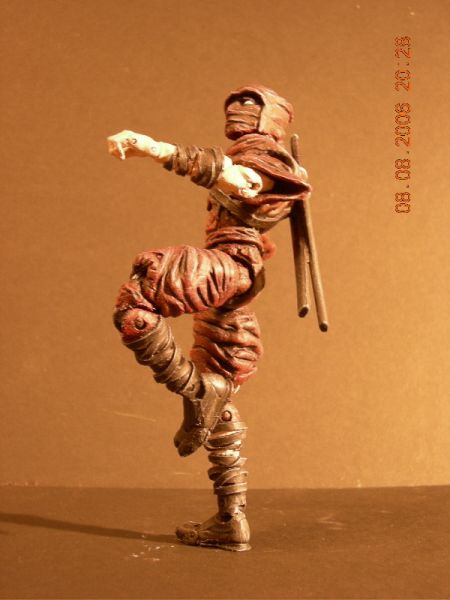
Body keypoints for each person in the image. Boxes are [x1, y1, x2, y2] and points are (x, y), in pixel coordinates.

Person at [107, 85, 311, 551]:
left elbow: (241, 181)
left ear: (269, 119)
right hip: (233, 283)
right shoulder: (266, 158)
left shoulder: (265, 160)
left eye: (249, 106)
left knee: (138, 297)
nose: (236, 112)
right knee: (222, 397)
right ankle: (230, 520)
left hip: (232, 266)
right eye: (235, 105)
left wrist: (152, 147)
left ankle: (197, 392)